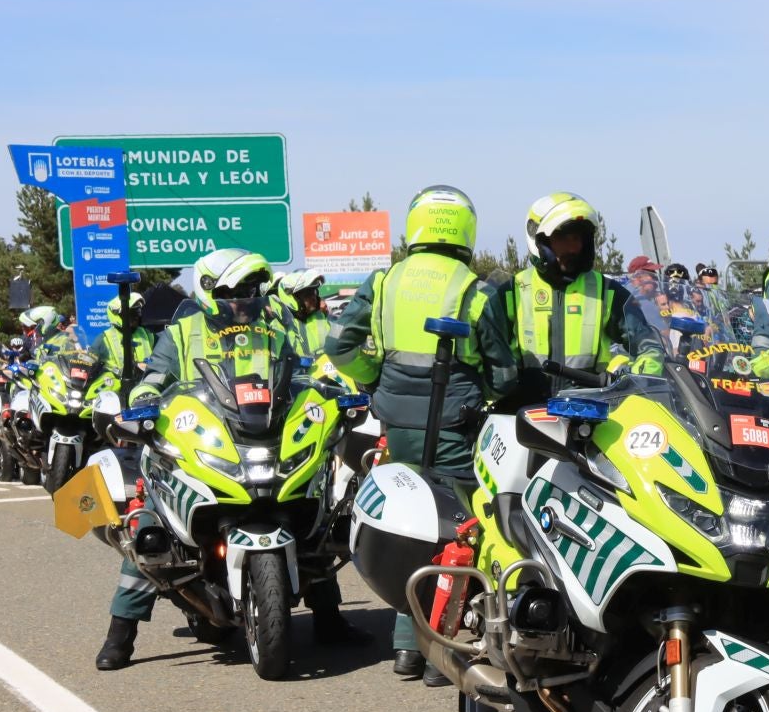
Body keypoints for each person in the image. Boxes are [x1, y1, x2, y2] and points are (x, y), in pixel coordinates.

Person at [94, 252, 365, 670]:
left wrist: (328, 389)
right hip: (199, 433)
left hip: (259, 432)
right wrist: (145, 399)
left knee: (317, 520)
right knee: (151, 527)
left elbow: (298, 370)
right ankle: (120, 635)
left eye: (249, 291)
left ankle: (329, 619)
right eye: (232, 292)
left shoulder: (274, 329)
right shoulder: (183, 331)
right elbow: (155, 376)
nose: (243, 299)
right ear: (207, 292)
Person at [327, 186, 511, 683]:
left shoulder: (384, 281)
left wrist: (372, 378)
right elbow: (501, 370)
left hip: (396, 427)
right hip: (453, 427)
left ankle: (406, 650)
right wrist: (490, 395)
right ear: (465, 230)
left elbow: (339, 344)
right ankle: (440, 654)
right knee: (459, 533)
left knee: (410, 526)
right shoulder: (474, 289)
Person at [482, 193, 636, 409]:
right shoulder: (512, 291)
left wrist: (635, 374)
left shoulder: (607, 291)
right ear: (540, 240)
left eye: (577, 239)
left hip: (589, 416)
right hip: (522, 415)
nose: (573, 248)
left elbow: (648, 344)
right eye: (563, 238)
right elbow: (484, 356)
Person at [273, 269, 331, 359]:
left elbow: (341, 339)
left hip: (326, 371)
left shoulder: (321, 317)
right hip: (295, 372)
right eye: (307, 294)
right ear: (290, 297)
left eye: (314, 292)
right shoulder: (278, 325)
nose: (313, 298)